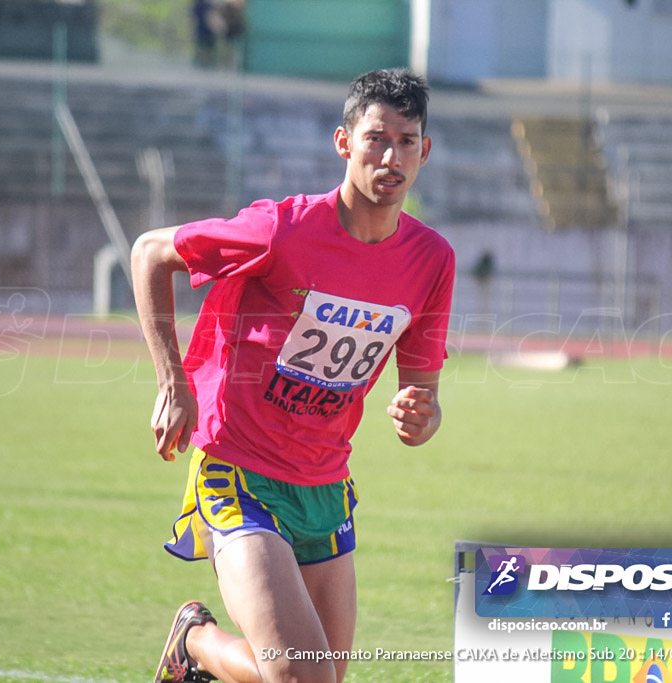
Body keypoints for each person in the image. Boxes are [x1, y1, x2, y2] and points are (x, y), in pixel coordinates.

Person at [131, 68, 456, 683]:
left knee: (318, 679)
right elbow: (150, 252)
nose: (391, 157)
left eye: (407, 141)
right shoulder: (283, 229)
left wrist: (422, 416)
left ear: (425, 151)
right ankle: (195, 641)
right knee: (302, 678)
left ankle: (194, 655)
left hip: (325, 487)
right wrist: (173, 383)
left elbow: (425, 398)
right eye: (375, 139)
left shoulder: (431, 260)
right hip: (239, 472)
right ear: (344, 143)